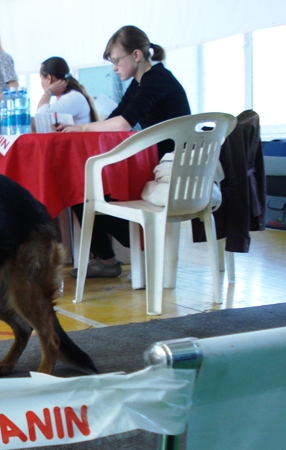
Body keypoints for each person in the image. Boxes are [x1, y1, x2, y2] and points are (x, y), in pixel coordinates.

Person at [59, 25, 191, 278]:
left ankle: (115, 254)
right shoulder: (142, 82)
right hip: (161, 164)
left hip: (170, 170)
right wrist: (81, 127)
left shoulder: (156, 79)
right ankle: (113, 255)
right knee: (83, 190)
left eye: (117, 60)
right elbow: (116, 116)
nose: (114, 68)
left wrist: (81, 127)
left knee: (83, 192)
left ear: (136, 55)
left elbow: (122, 124)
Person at [32, 57, 98, 133]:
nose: (41, 82)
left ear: (49, 78)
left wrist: (48, 92)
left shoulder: (73, 97)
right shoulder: (59, 100)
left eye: (41, 78)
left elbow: (41, 118)